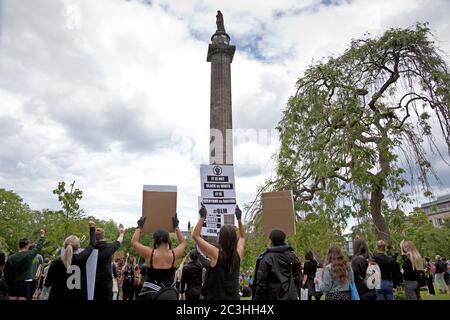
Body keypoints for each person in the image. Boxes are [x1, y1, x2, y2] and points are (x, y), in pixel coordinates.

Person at [192, 203, 245, 300]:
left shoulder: (215, 254)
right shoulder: (238, 254)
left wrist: (202, 217)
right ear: (234, 239)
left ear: (221, 239)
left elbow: (195, 236)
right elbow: (242, 237)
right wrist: (239, 219)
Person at [131, 214, 186, 300]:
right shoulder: (174, 254)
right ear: (168, 240)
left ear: (155, 240)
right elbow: (183, 242)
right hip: (169, 294)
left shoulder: (149, 253)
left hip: (151, 293)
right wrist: (176, 227)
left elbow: (134, 242)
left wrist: (139, 226)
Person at [45, 222, 96, 300]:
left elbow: (48, 283)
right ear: (78, 247)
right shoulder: (81, 258)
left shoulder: (55, 262)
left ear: (64, 245)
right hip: (77, 296)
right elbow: (91, 245)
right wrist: (92, 228)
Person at [253, 229, 301, 300]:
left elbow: (261, 283)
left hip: (272, 296)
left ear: (271, 241)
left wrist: (257, 297)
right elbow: (297, 278)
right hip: (290, 296)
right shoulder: (293, 256)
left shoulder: (266, 258)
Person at [4, 229, 45, 300]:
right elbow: (38, 247)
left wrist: (9, 283)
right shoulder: (29, 255)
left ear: (19, 245)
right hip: (25, 285)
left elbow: (6, 273)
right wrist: (42, 236)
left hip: (13, 285)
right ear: (27, 246)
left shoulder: (11, 258)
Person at [93, 223, 125, 300]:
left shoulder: (90, 249)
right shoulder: (109, 248)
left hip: (93, 283)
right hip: (106, 284)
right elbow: (119, 242)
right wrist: (121, 233)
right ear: (104, 235)